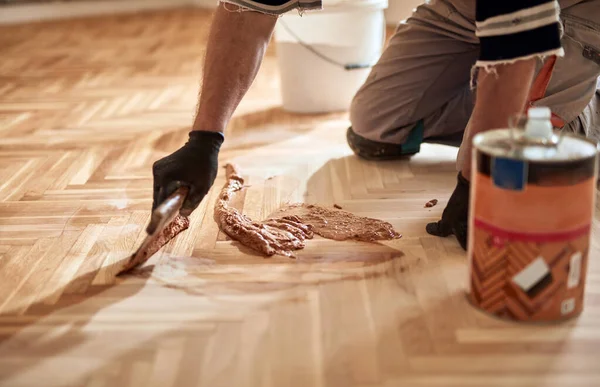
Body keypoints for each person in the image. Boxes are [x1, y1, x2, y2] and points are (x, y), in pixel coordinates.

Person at [152, 0, 600, 250]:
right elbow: (247, 10)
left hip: (564, 13)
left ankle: (579, 112)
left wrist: (474, 175)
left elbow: (518, 43)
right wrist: (204, 139)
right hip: (462, 7)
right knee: (375, 127)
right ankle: (504, 112)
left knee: (504, 171)